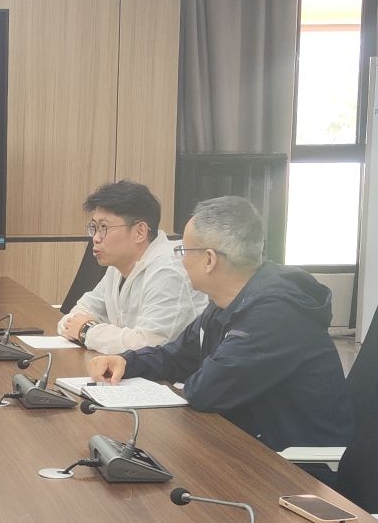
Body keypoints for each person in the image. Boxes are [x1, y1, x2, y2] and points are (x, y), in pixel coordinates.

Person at [86, 196, 352, 450]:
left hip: (291, 465)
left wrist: (188, 378)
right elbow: (176, 356)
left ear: (209, 260)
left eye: (183, 251)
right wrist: (126, 362)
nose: (180, 260)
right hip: (244, 443)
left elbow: (205, 391)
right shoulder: (224, 303)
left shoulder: (276, 314)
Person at [55, 180, 203, 353]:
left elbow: (149, 345)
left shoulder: (169, 271)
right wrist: (84, 328)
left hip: (168, 371)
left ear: (140, 232)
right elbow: (75, 316)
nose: (95, 238)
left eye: (104, 227)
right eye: (94, 227)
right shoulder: (118, 265)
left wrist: (86, 331)